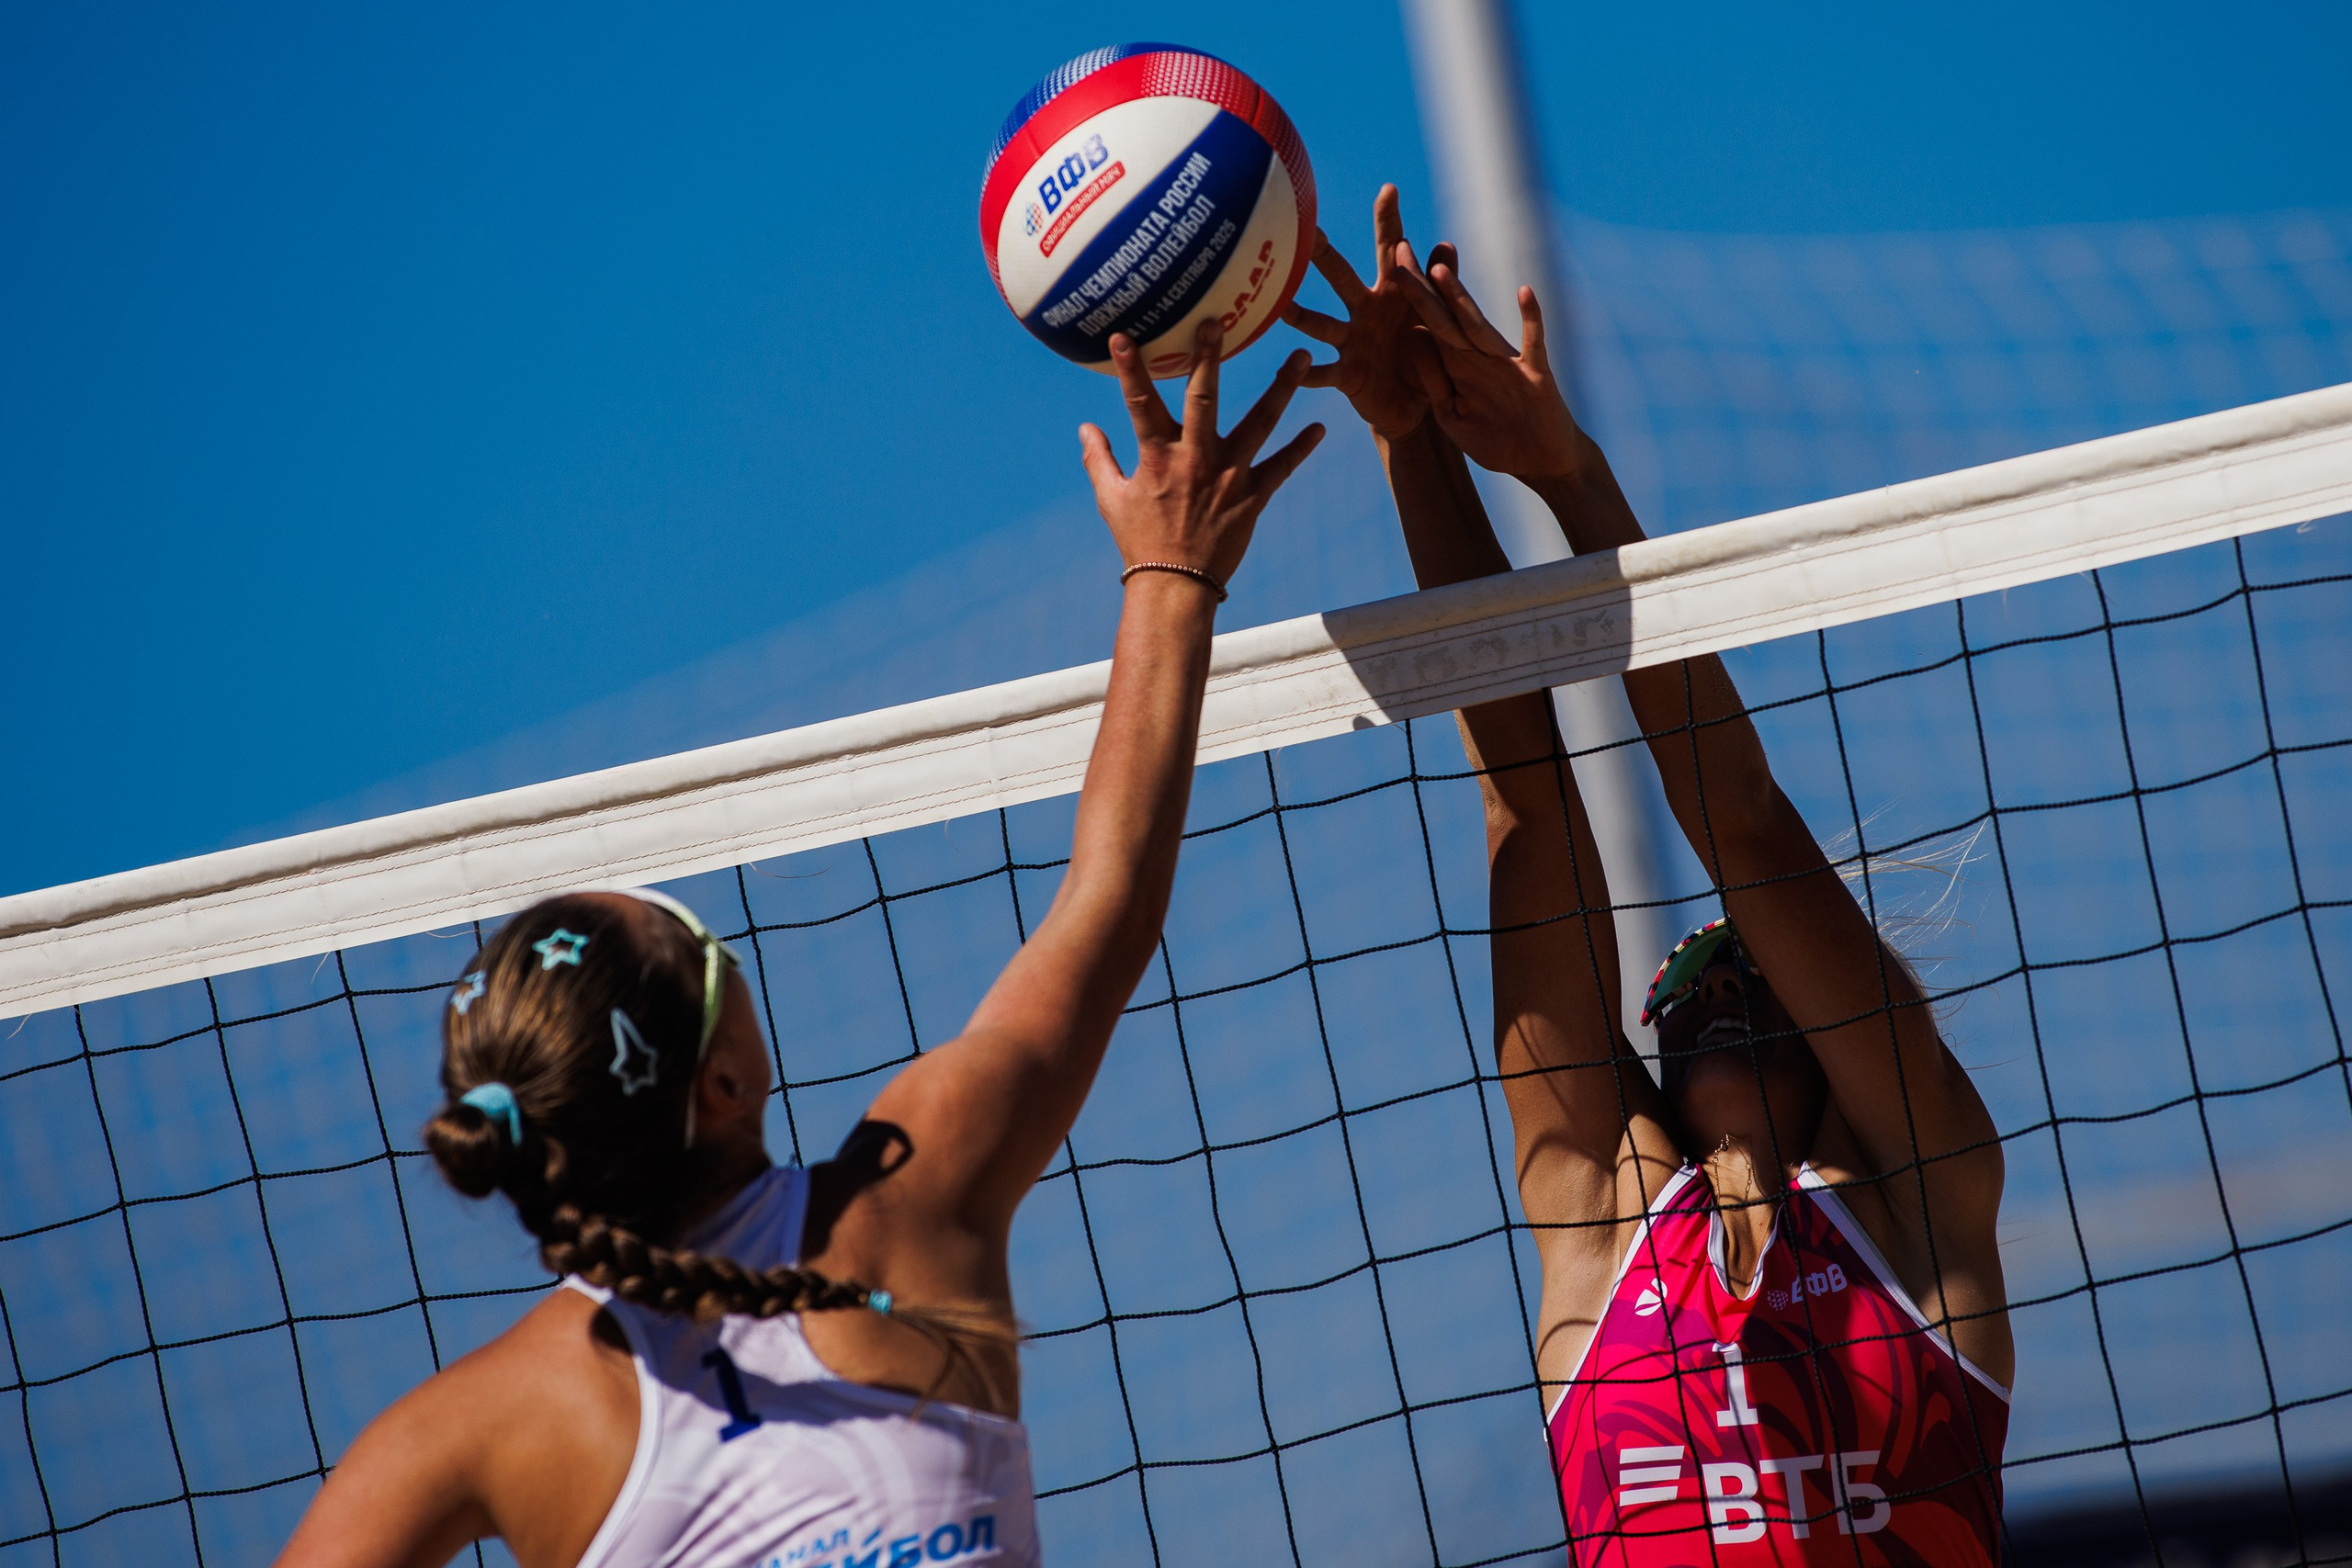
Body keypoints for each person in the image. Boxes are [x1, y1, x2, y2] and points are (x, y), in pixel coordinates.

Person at [271, 321, 1325, 1568]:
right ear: (723, 1084)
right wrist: (1171, 567)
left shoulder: (466, 1430)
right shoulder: (903, 1202)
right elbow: (1109, 899)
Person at [1284, 189, 2011, 1564]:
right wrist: (1415, 447)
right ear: (1657, 1056)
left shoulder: (1925, 1210)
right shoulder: (1603, 1218)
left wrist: (1571, 474)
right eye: (1696, 975)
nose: (1723, 976)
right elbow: (1531, 814)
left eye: (1749, 967)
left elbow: (1742, 826)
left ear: (1833, 1038)